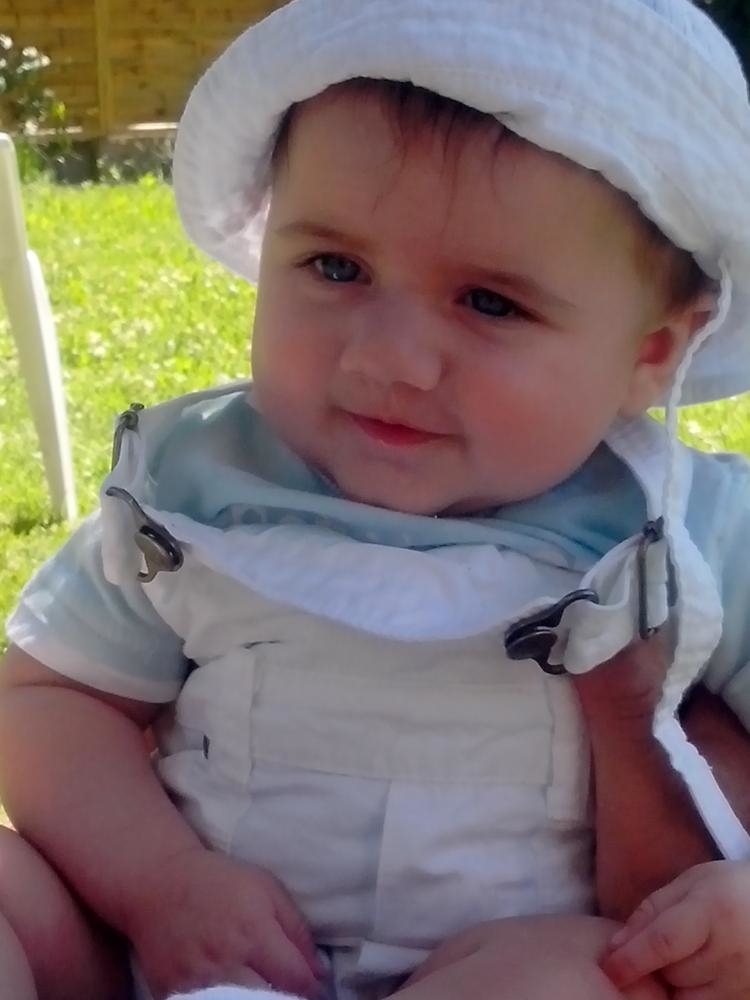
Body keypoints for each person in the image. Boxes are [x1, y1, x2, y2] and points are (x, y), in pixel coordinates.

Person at [1, 0, 750, 998]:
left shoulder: (693, 531)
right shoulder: (199, 491)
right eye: (336, 267)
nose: (387, 360)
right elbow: (48, 699)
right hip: (177, 948)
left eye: (490, 302)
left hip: (511, 960)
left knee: (568, 982)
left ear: (650, 351)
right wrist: (158, 882)